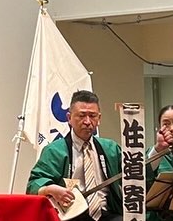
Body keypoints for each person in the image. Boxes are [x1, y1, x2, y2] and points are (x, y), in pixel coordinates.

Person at [27, 90, 123, 221]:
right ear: (69, 118)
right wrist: (50, 189)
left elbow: (134, 176)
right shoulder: (54, 150)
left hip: (107, 213)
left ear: (99, 118)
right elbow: (34, 184)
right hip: (72, 214)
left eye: (92, 116)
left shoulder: (111, 148)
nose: (87, 121)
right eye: (82, 115)